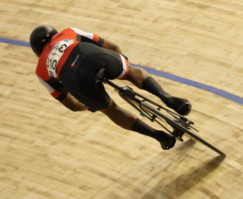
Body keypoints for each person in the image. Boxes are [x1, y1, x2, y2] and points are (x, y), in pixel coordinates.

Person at [30, 25, 192, 150]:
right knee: (130, 71)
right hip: (92, 55)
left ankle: (159, 136)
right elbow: (112, 46)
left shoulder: (40, 72)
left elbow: (72, 105)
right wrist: (122, 64)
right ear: (55, 34)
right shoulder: (68, 31)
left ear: (37, 51)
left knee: (110, 110)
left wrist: (91, 105)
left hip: (76, 80)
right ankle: (167, 98)